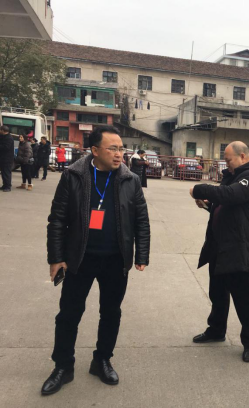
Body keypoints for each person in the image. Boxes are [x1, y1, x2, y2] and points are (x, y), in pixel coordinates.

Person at [41, 125, 150, 396]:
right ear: (95, 151)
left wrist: (141, 254)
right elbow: (57, 219)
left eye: (121, 148)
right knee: (69, 314)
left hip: (116, 259)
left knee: (111, 313)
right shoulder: (73, 176)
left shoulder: (130, 179)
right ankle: (63, 366)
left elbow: (141, 220)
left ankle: (102, 360)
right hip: (80, 258)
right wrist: (56, 258)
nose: (119, 154)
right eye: (112, 148)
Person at [189, 141, 249, 363]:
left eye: (228, 159)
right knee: (217, 293)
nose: (226, 164)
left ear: (243, 156)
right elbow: (226, 205)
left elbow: (230, 195)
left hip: (240, 247)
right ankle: (216, 330)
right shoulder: (233, 175)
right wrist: (209, 205)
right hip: (220, 246)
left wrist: (198, 189)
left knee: (243, 298)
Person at [0, 125, 14, 192]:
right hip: (3, 158)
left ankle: (8, 186)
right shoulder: (3, 136)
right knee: (3, 173)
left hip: (7, 159)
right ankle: (4, 185)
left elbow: (6, 147)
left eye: (0, 130)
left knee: (6, 173)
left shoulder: (9, 138)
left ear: (3, 130)